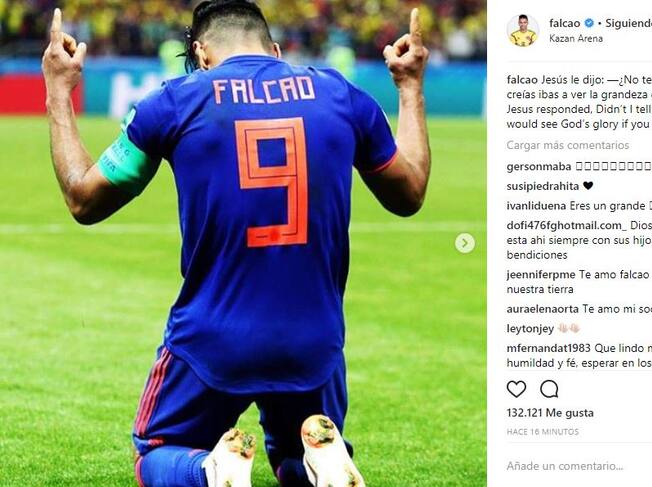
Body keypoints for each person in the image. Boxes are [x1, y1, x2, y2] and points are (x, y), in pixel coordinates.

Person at [41, 1, 431, 486]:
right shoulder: (341, 94)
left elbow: (84, 199)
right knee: (292, 453)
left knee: (156, 453)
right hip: (313, 343)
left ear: (202, 55)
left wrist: (58, 88)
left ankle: (210, 470)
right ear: (274, 51)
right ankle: (317, 463)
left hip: (214, 337)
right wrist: (409, 87)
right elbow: (409, 193)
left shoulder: (174, 102)